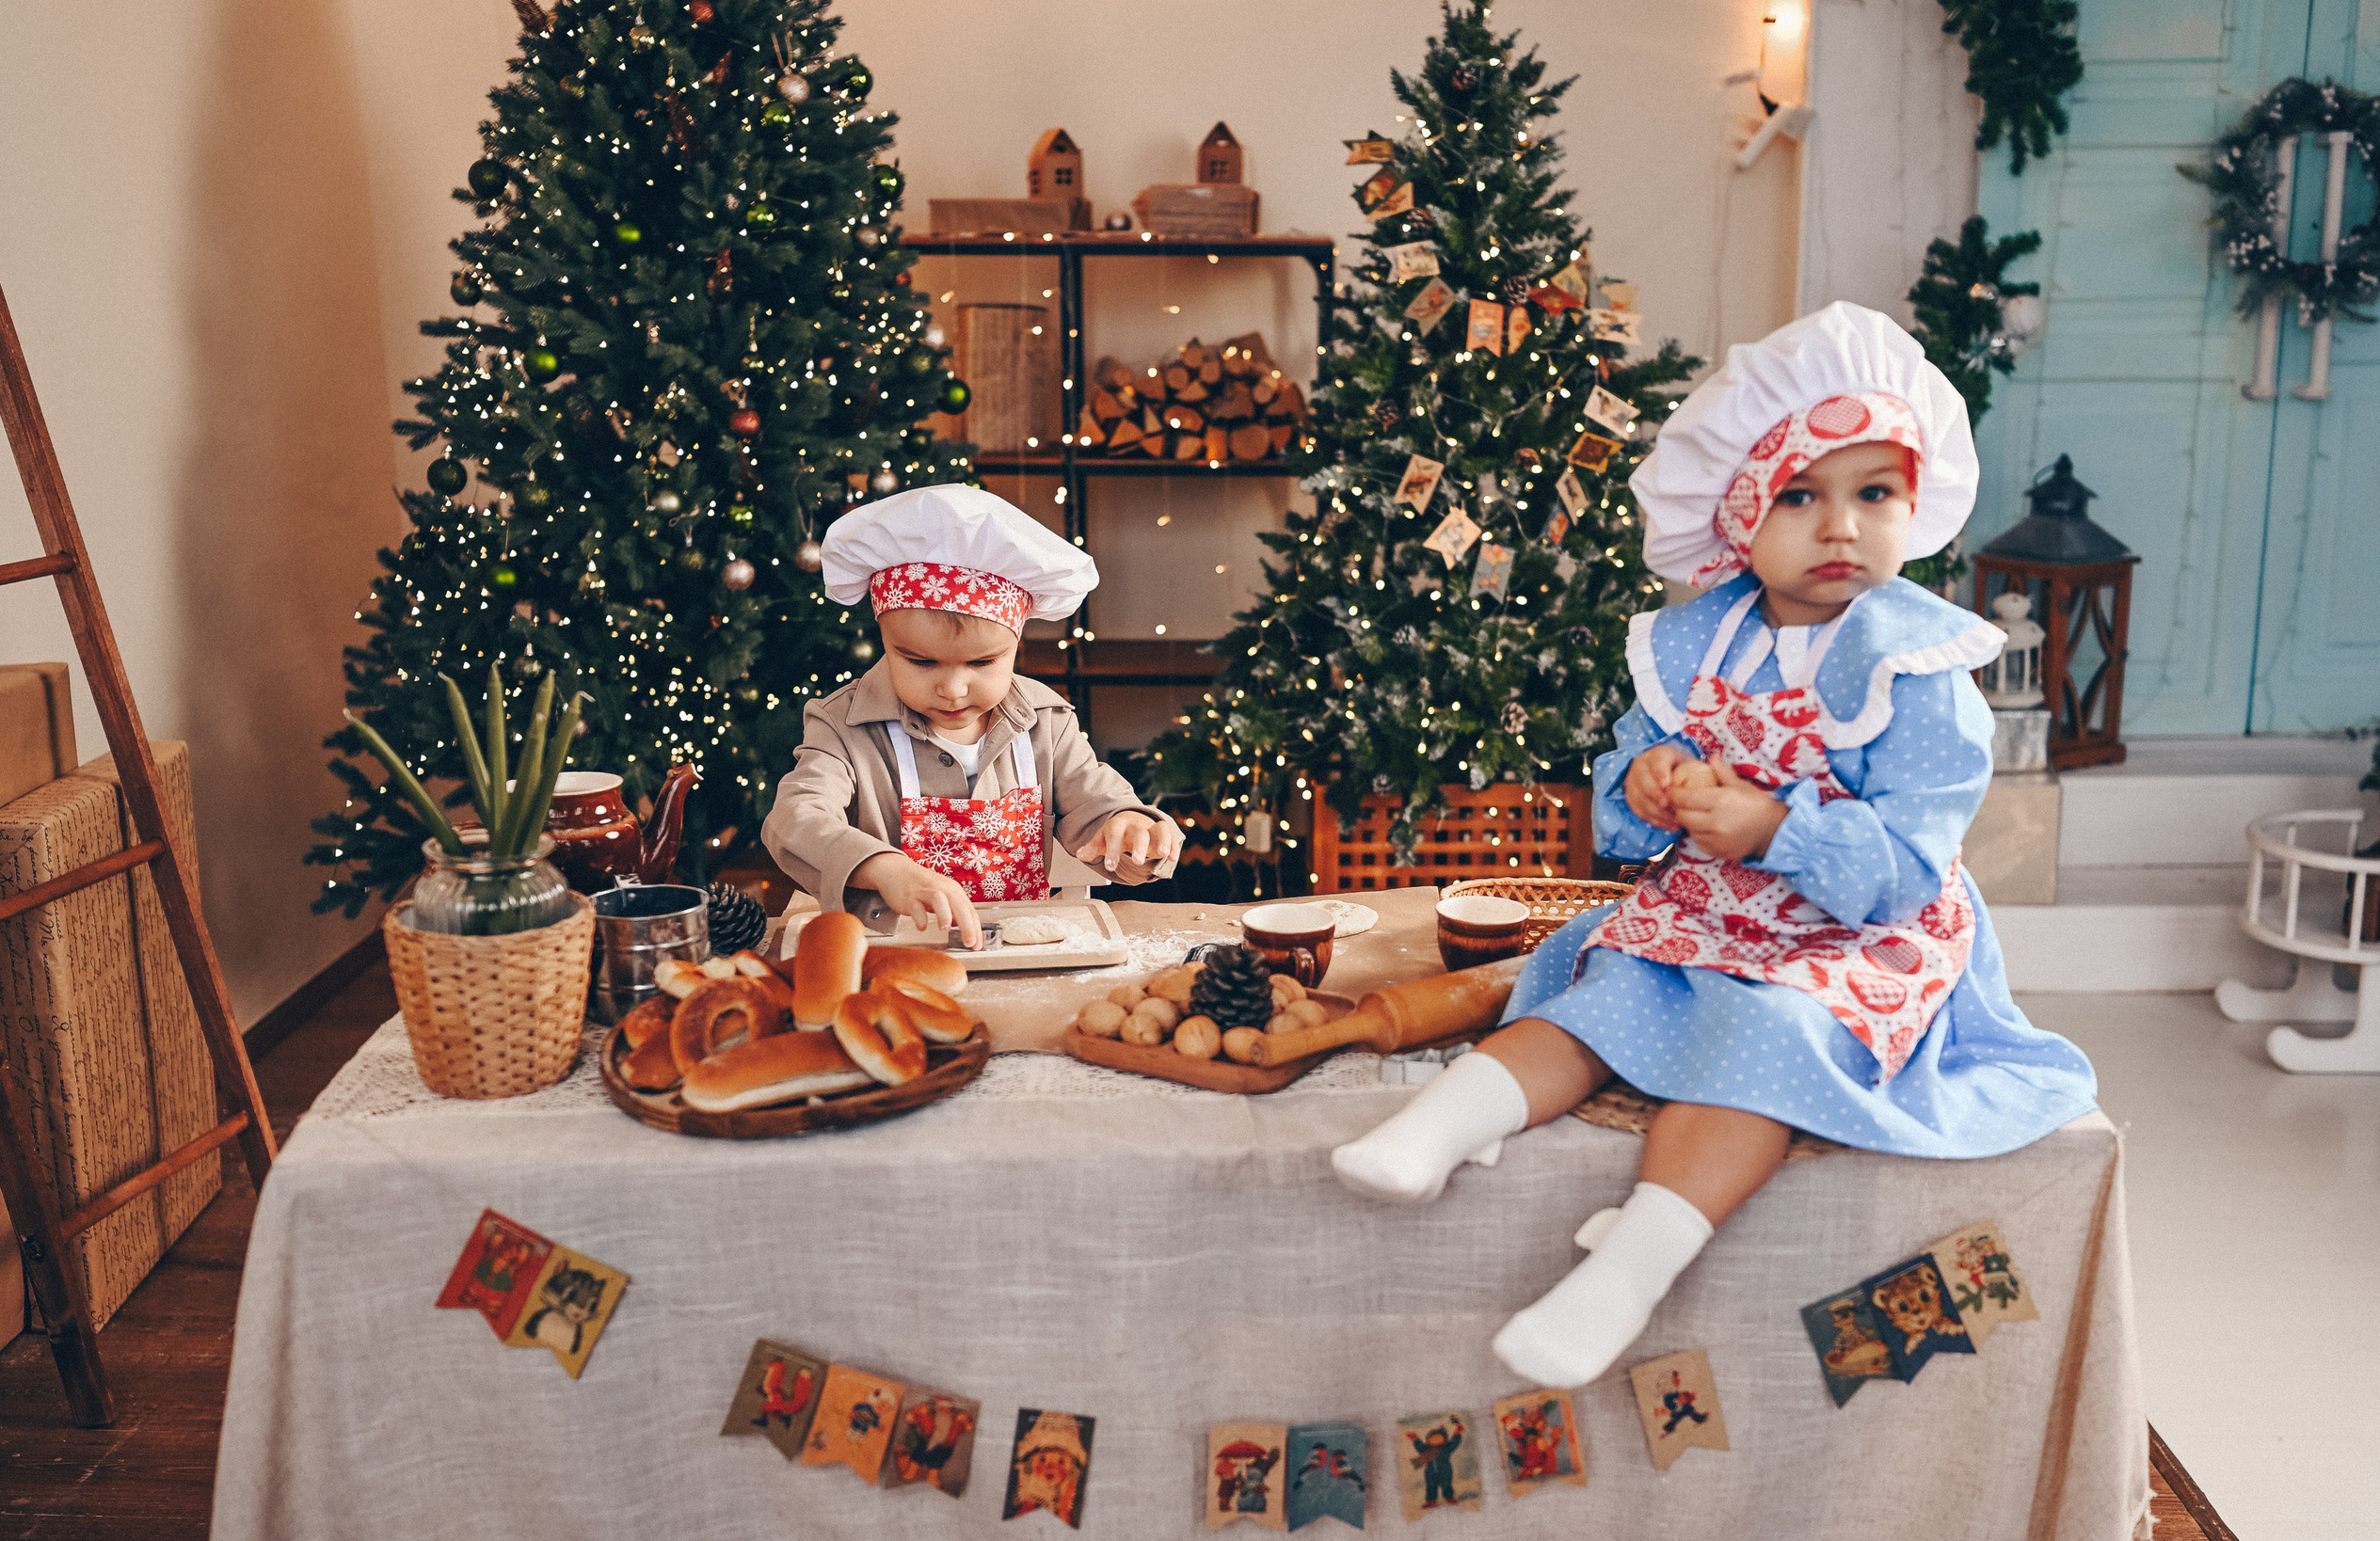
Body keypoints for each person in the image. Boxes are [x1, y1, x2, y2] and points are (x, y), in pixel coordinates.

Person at [1329, 302, 2098, 1387]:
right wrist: (1647, 784)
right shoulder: (1702, 645)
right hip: (1710, 908)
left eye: (1873, 493)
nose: (1840, 528)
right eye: (1800, 495)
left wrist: (1777, 826)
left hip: (1854, 929)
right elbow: (1636, 802)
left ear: (1914, 503)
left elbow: (1907, 868)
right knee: (1600, 991)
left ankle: (1627, 1270)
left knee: (1766, 1037)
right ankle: (1439, 1128)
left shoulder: (1915, 672)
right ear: (1739, 517)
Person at [765, 486, 1181, 944]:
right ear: (885, 639)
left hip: (1024, 958)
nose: (953, 689)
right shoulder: (843, 725)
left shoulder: (1046, 721)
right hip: (895, 955)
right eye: (921, 662)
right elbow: (795, 819)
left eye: (982, 663)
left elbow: (1099, 808)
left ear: (1016, 647)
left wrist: (1130, 831)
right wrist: (885, 870)